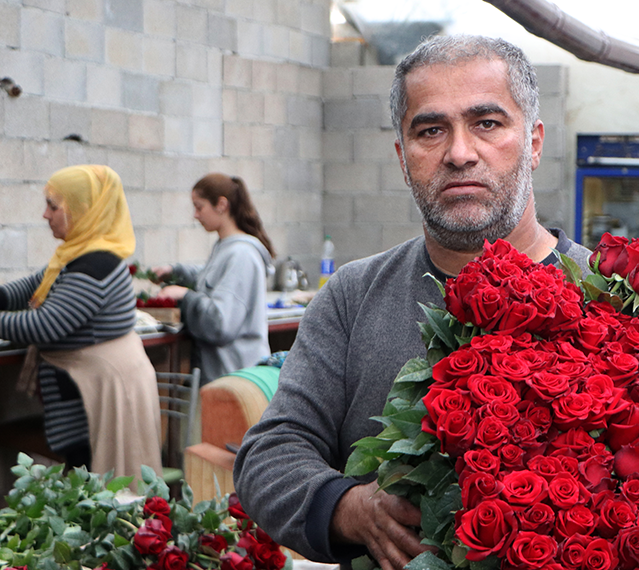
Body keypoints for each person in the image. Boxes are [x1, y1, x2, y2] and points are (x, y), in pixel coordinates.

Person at [234, 35, 592, 570]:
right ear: (402, 158)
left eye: (487, 123)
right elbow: (271, 452)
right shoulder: (352, 297)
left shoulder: (613, 296)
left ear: (535, 142)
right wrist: (353, 509)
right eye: (431, 130)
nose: (460, 152)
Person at [0, 165, 162, 484]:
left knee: (106, 483)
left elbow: (46, 325)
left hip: (105, 391)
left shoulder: (96, 265)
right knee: (86, 479)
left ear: (81, 211)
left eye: (53, 206)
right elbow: (36, 285)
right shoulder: (77, 254)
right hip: (90, 387)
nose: (45, 215)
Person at [150, 174, 275, 382]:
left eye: (199, 207)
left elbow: (219, 323)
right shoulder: (225, 248)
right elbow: (211, 276)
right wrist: (174, 272)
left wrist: (185, 295)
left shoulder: (241, 255)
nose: (195, 215)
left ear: (221, 205)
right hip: (224, 378)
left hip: (236, 380)